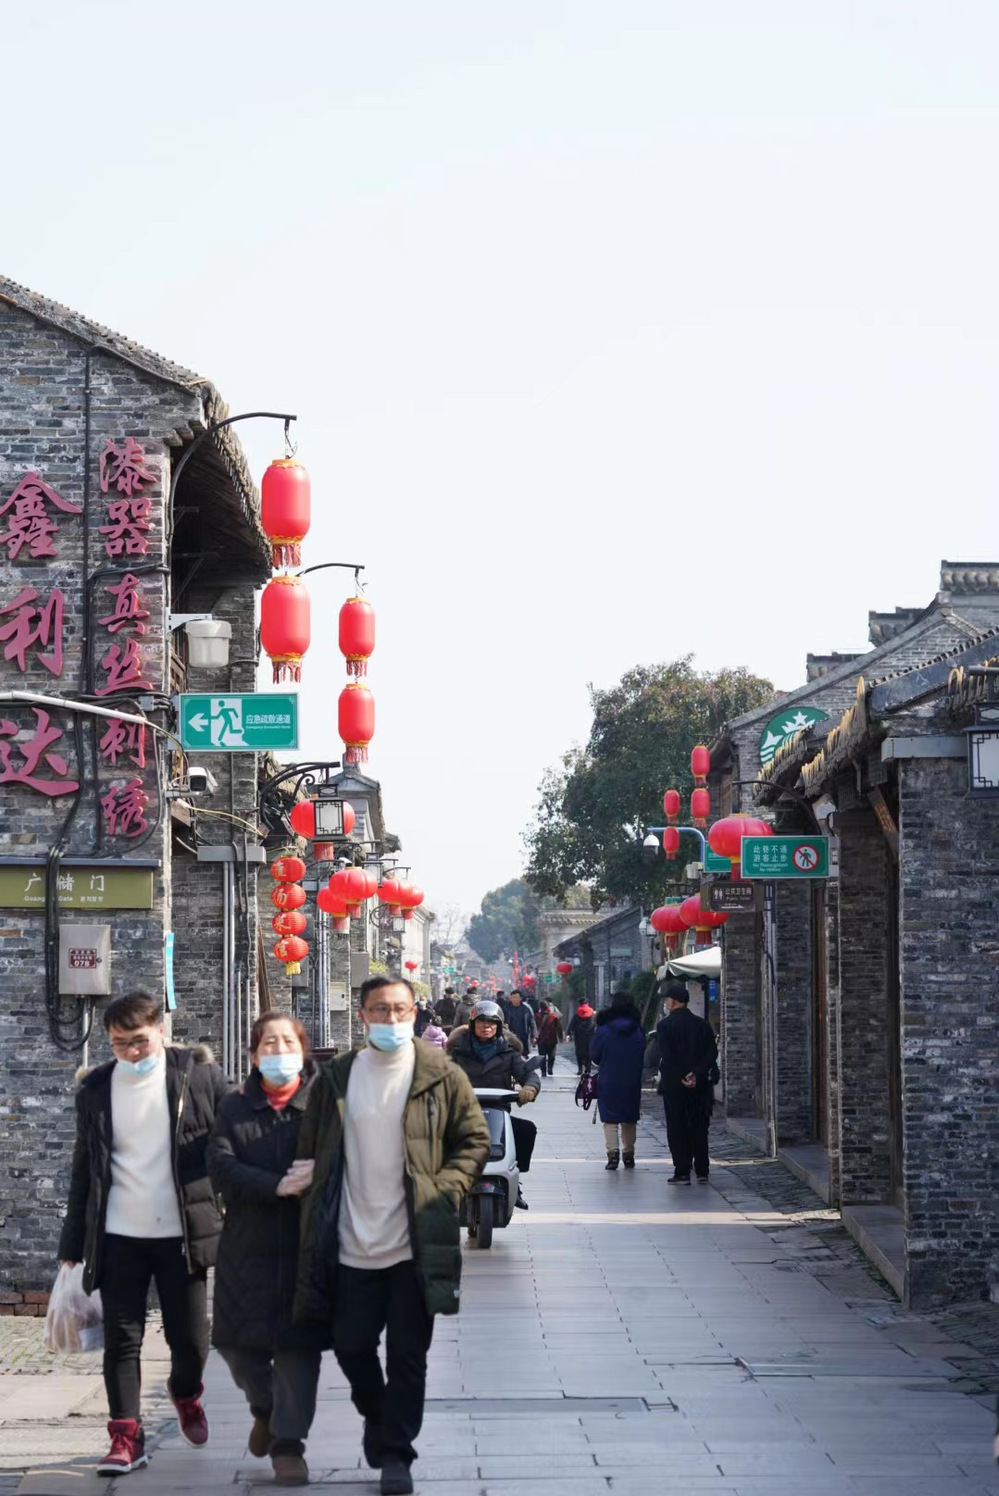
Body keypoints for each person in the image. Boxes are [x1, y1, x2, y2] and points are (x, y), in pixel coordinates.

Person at [293, 976, 489, 1496]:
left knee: (408, 1357)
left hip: (413, 1245)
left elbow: (474, 1139)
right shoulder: (338, 1077)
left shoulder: (440, 1074)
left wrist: (444, 1190)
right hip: (351, 1243)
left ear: (415, 1013)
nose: (392, 1018)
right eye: (381, 1009)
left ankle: (397, 1454)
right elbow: (310, 1147)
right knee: (351, 1347)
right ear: (363, 1015)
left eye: (401, 1009)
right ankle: (378, 1417)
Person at [58, 992, 228, 1477]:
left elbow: (235, 1135)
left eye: (139, 1041)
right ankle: (126, 1437)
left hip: (181, 1233)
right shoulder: (96, 1089)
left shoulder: (198, 1076)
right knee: (122, 1338)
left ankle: (185, 1392)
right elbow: (84, 1169)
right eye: (119, 1044)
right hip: (118, 1235)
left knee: (190, 1340)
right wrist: (72, 1245)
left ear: (160, 1030)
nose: (131, 1052)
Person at [207, 1011, 324, 1487]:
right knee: (234, 1344)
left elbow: (345, 1157)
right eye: (268, 1044)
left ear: (303, 1049)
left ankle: (288, 1445)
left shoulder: (323, 1104)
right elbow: (219, 1165)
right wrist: (275, 1185)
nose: (279, 1052)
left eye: (287, 1043)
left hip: (306, 1243)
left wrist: (318, 1173)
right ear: (254, 1055)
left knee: (298, 1348)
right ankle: (266, 1409)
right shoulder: (234, 1105)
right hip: (246, 1243)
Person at [447, 1000, 541, 1208]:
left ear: (499, 1026)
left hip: (498, 1112)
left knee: (526, 1130)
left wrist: (529, 1088)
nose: (486, 1026)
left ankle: (515, 1181)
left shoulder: (509, 1053)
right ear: (472, 1024)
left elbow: (528, 1074)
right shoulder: (457, 1051)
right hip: (463, 1112)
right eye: (481, 1021)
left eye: (492, 1022)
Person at [656, 982, 719, 1185]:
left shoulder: (664, 1026)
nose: (666, 1004)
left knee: (677, 1127)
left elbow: (667, 1056)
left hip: (675, 1085)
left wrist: (683, 1076)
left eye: (667, 1000)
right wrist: (695, 1074)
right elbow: (712, 1053)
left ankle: (682, 1171)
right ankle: (702, 1170)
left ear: (673, 1002)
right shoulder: (702, 1024)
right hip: (699, 1084)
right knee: (699, 1126)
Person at [589, 989, 646, 1171]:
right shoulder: (638, 1030)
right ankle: (629, 1155)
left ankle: (613, 1155)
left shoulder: (604, 1030)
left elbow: (595, 1056)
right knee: (629, 1118)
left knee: (610, 1119)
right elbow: (642, 1053)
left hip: (609, 1079)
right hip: (631, 1080)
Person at [504, 988, 537, 1056]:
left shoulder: (526, 1009)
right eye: (512, 997)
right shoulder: (506, 1009)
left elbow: (532, 1023)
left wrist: (534, 1036)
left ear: (520, 998)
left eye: (516, 997)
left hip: (523, 1036)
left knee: (523, 1055)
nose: (514, 999)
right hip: (510, 1037)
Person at [567, 1000, 596, 1076]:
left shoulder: (577, 1014)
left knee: (579, 1052)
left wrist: (569, 1033)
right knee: (588, 1052)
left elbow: (572, 1024)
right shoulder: (592, 1014)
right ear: (587, 1004)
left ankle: (580, 1069)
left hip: (579, 1037)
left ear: (579, 1004)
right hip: (590, 1036)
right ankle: (588, 1069)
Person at [536, 1000, 564, 1076]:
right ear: (548, 1006)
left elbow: (535, 1027)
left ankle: (543, 1071)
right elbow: (559, 1027)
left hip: (541, 1039)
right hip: (552, 1038)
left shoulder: (537, 1016)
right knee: (552, 1055)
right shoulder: (553, 1016)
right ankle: (550, 1068)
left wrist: (534, 1037)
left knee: (542, 1056)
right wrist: (560, 1037)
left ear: (540, 1007)